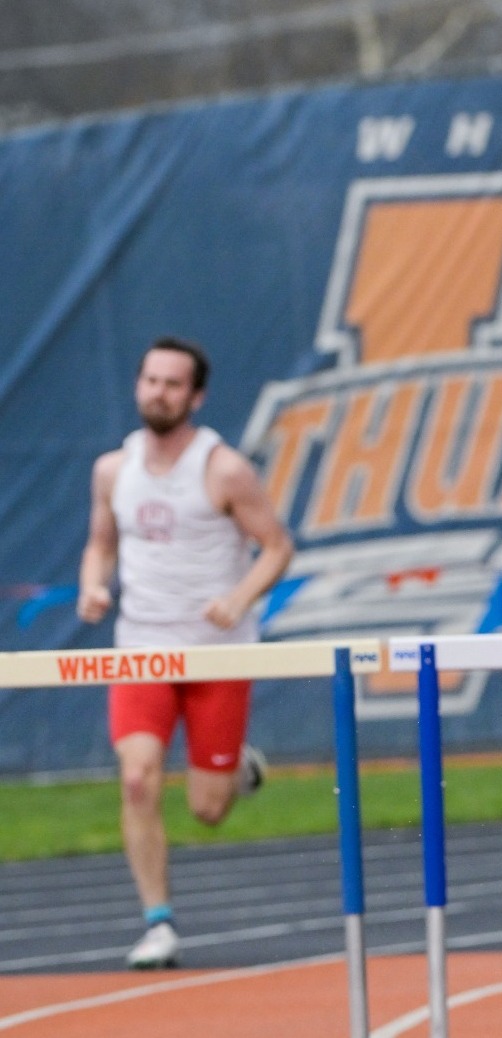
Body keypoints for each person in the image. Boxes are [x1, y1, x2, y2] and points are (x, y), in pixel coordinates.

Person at [76, 336, 292, 969]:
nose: (159, 393)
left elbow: (278, 547)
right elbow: (101, 543)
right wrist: (93, 585)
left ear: (195, 397)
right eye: (151, 380)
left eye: (173, 384)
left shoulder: (223, 469)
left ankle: (236, 768)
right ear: (137, 386)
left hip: (215, 652)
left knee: (208, 809)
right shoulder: (112, 470)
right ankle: (158, 922)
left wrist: (239, 597)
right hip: (141, 646)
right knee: (137, 777)